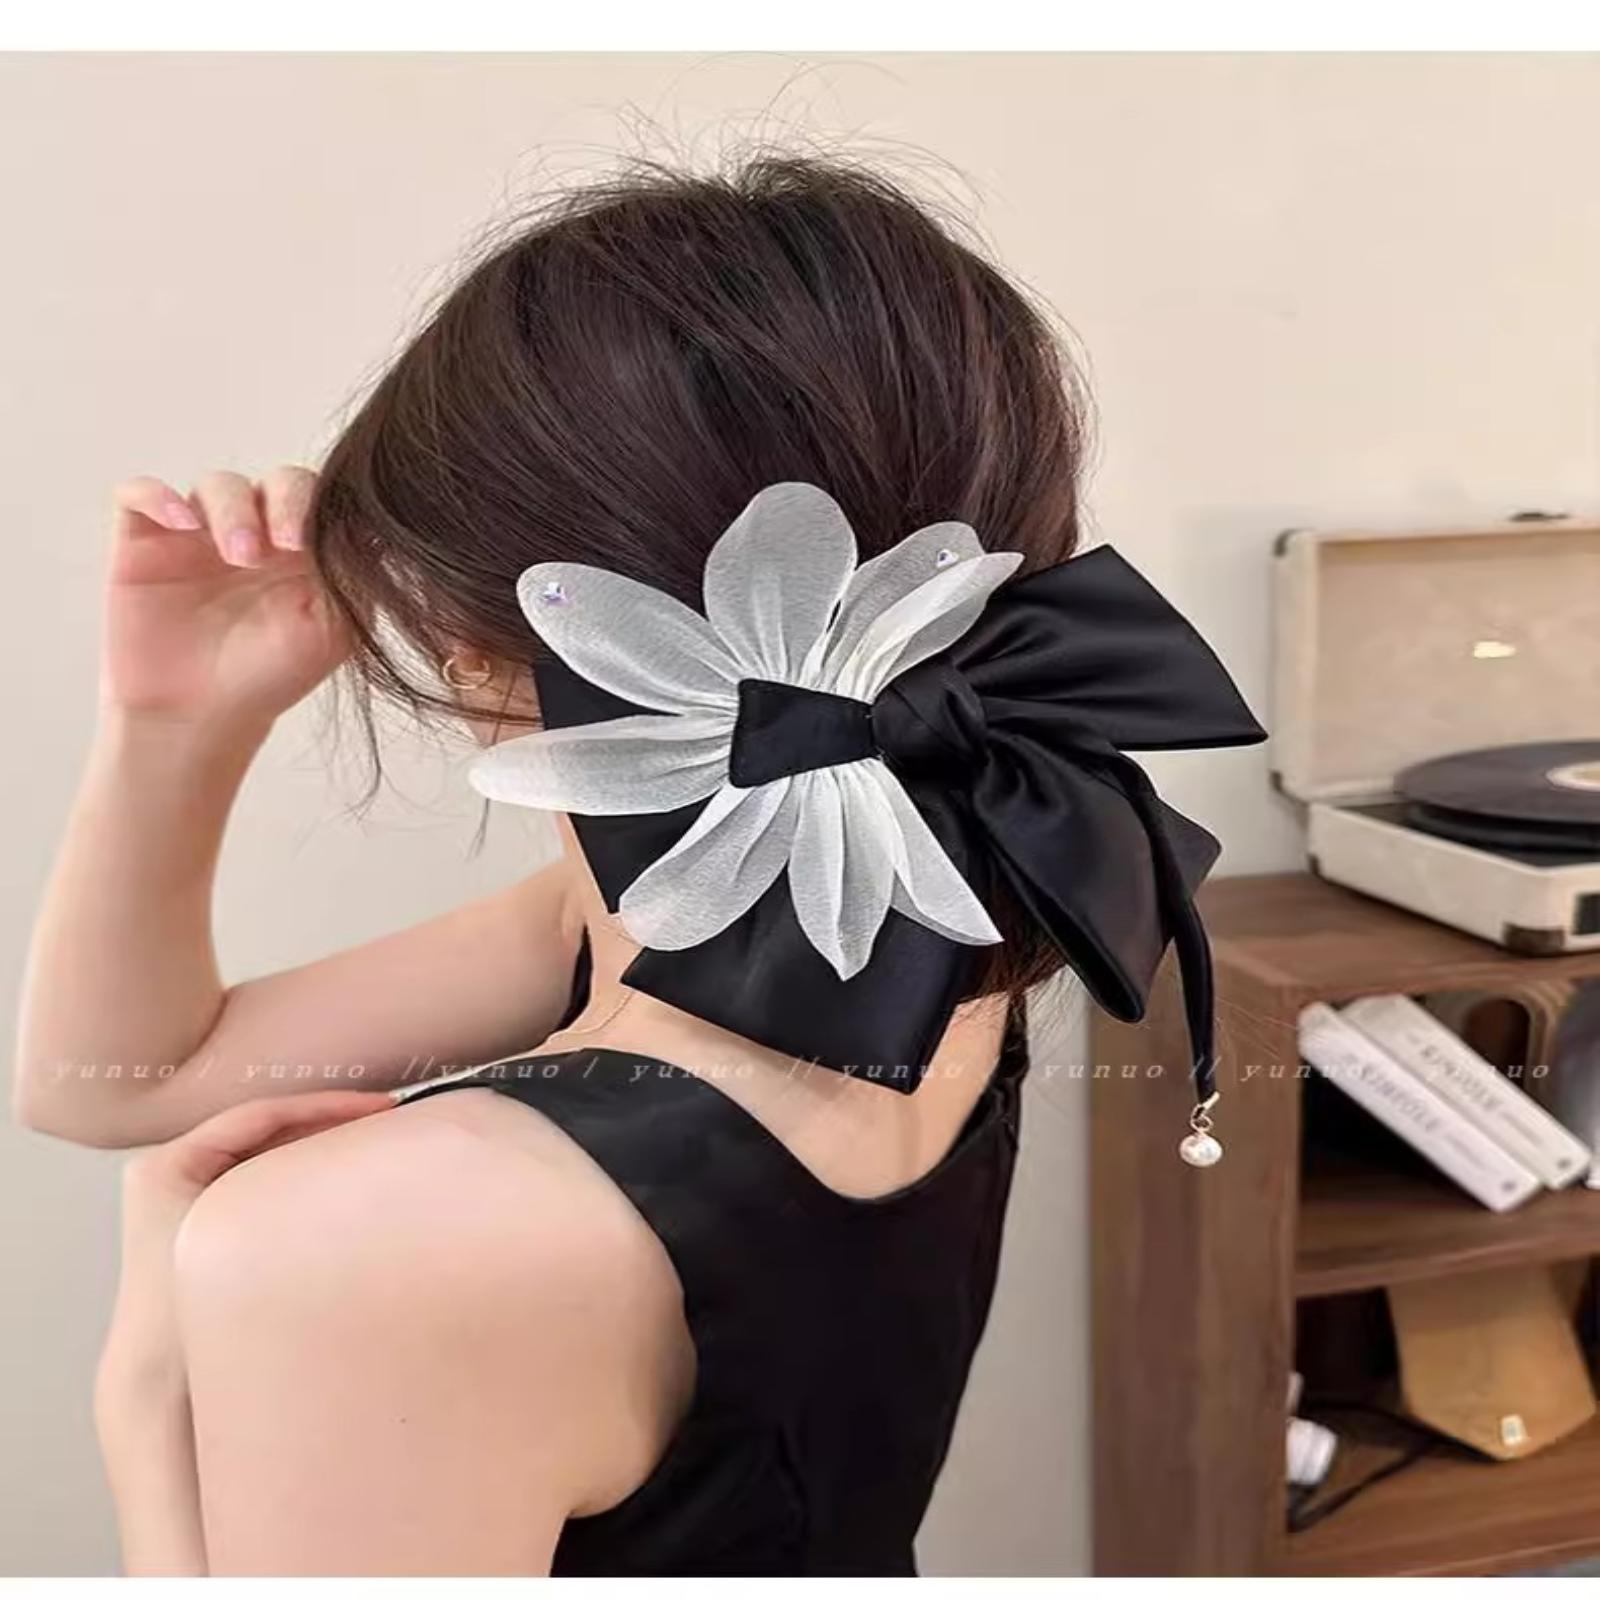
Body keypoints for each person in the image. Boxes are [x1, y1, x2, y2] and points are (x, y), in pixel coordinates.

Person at [13, 155, 1262, 1576]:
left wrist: (146, 1403)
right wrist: (172, 721)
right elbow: (119, 1080)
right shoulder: (938, 913)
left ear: (478, 655)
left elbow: (116, 1093)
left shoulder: (368, 1254)